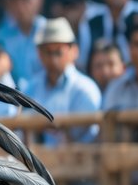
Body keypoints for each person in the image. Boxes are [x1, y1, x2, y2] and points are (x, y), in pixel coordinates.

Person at [25, 18, 101, 147]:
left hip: (78, 162)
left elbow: (75, 134)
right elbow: (24, 129)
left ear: (74, 51)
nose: (53, 58)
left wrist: (39, 125)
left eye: (58, 52)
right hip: (37, 162)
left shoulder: (85, 88)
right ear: (39, 53)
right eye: (47, 52)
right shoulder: (31, 87)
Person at [0, 0, 47, 90]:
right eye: (14, 0)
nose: (20, 6)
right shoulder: (0, 36)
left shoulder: (49, 31)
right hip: (13, 100)